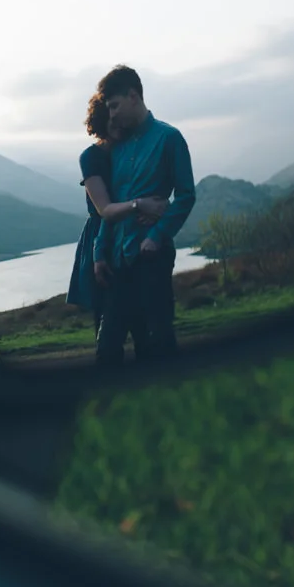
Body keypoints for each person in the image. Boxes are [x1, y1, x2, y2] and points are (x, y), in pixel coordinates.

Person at [92, 65, 196, 366]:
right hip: (117, 263)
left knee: (157, 343)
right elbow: (110, 207)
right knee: (106, 348)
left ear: (134, 96)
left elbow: (186, 195)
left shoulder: (170, 138)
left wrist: (156, 237)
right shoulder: (118, 150)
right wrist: (100, 253)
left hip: (152, 258)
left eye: (114, 106)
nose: (110, 115)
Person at [67, 93, 166, 356]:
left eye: (121, 124)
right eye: (112, 124)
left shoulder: (132, 151)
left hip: (134, 238)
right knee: (109, 326)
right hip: (103, 240)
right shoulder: (91, 157)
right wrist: (139, 205)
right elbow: (104, 210)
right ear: (101, 123)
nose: (119, 130)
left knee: (145, 325)